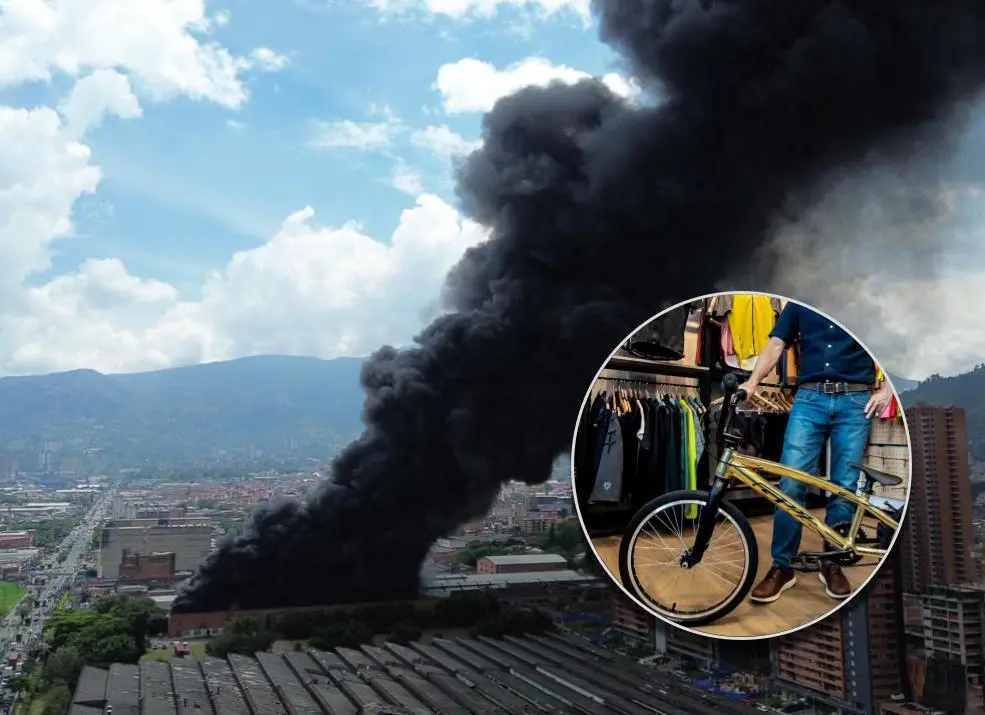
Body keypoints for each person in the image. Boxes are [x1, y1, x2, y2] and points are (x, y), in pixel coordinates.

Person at [736, 302, 894, 603]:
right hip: (809, 399)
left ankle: (832, 562)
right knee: (790, 482)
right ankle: (783, 568)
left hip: (856, 400)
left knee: (843, 486)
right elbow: (777, 342)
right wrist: (753, 382)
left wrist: (887, 387)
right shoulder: (797, 302)